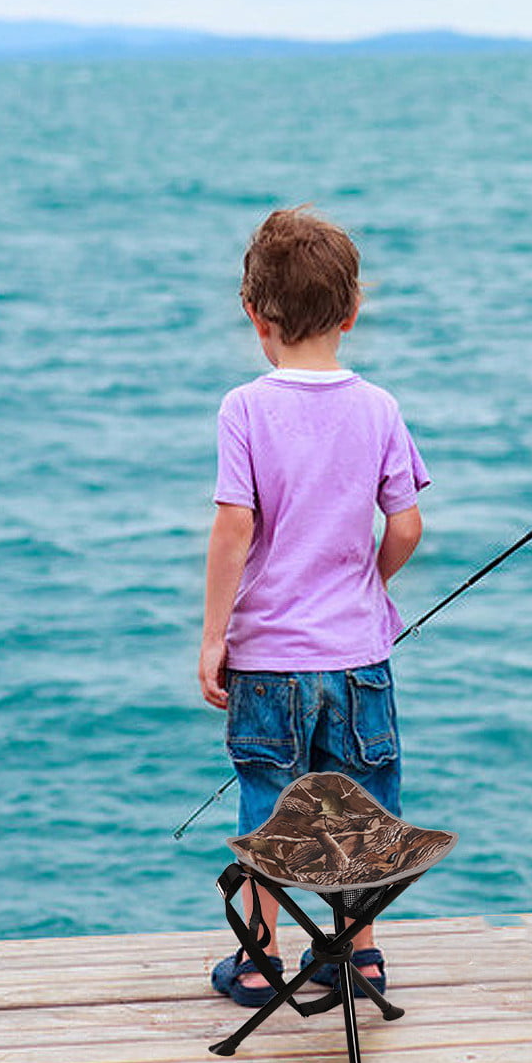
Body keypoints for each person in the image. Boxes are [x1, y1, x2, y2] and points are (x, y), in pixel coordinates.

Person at [199, 207, 429, 1006]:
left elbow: (236, 525)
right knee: (361, 806)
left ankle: (260, 958)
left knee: (272, 808)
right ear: (352, 313)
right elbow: (406, 526)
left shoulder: (246, 409)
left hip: (269, 662)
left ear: (255, 316)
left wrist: (213, 635)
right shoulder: (379, 408)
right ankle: (356, 955)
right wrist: (370, 580)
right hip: (360, 659)